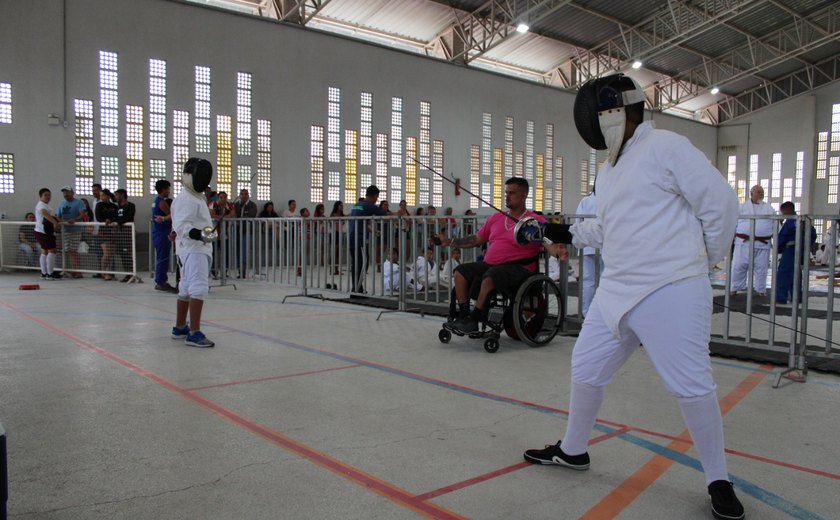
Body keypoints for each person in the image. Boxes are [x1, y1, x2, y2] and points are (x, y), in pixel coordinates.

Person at [522, 73, 744, 520]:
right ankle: (574, 449)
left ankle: (718, 478)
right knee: (585, 366)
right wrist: (553, 230)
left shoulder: (668, 147)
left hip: (671, 289)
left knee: (690, 385)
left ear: (614, 113)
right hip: (616, 290)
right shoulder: (609, 172)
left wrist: (705, 262)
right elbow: (606, 229)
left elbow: (720, 204)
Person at [437, 178, 557, 334]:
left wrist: (557, 251)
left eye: (512, 193)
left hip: (519, 268)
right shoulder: (496, 218)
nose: (507, 196)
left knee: (491, 276)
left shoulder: (534, 220)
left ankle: (475, 318)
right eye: (506, 192)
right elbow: (476, 239)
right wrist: (451, 241)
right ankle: (465, 316)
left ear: (524, 195)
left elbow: (548, 241)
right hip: (491, 265)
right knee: (460, 272)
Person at [170, 157, 216, 348]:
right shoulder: (186, 198)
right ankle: (194, 333)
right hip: (194, 250)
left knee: (186, 287)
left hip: (193, 249)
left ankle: (180, 327)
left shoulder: (196, 197)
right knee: (198, 288)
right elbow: (182, 226)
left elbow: (194, 224)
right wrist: (200, 234)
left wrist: (209, 233)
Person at [730, 185, 776, 297]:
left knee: (762, 267)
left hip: (762, 244)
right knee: (739, 266)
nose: (761, 194)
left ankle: (761, 289)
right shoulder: (741, 208)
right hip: (743, 242)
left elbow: (775, 224)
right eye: (758, 192)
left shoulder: (769, 208)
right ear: (751, 194)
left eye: (762, 192)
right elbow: (733, 223)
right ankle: (735, 288)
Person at [775, 201, 816, 306]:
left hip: (790, 250)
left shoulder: (790, 222)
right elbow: (812, 234)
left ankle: (781, 298)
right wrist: (805, 246)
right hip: (801, 250)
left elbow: (782, 237)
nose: (783, 215)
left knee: (783, 274)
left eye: (783, 213)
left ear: (787, 210)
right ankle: (797, 297)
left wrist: (778, 248)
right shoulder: (803, 221)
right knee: (796, 274)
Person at [349, 186, 386, 293]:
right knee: (362, 263)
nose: (376, 200)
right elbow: (383, 214)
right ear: (374, 196)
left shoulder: (357, 205)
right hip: (359, 239)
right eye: (377, 197)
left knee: (356, 264)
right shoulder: (369, 206)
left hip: (352, 238)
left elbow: (360, 222)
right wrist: (399, 214)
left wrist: (372, 231)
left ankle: (357, 288)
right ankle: (356, 289)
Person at [575, 189, 602, 317]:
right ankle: (601, 314)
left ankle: (586, 313)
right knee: (604, 281)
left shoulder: (585, 201)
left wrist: (578, 244)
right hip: (604, 245)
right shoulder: (609, 198)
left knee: (588, 281)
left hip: (587, 245)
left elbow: (577, 223)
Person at [152, 179, 177, 293]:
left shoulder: (155, 201)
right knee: (163, 258)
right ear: (163, 190)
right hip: (162, 233)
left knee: (161, 257)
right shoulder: (161, 202)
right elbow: (172, 216)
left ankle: (161, 280)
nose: (169, 191)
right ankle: (161, 281)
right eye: (168, 189)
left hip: (158, 232)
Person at [56, 185, 85, 278]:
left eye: (67, 192)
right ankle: (74, 270)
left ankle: (77, 271)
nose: (66, 194)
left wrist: (74, 220)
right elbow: (57, 215)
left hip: (75, 230)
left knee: (73, 250)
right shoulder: (61, 204)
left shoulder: (79, 203)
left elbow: (82, 214)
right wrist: (61, 221)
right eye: (64, 192)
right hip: (65, 231)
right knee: (68, 250)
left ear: (72, 193)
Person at [34, 188, 61, 280]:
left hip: (43, 231)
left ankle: (44, 273)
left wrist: (56, 219)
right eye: (45, 195)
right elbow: (44, 213)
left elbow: (49, 215)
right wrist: (54, 222)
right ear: (41, 196)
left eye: (49, 195)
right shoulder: (41, 205)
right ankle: (49, 273)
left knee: (44, 251)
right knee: (52, 251)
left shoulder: (46, 205)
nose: (48, 197)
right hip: (44, 231)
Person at [208, 191, 234, 278]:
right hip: (214, 233)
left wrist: (224, 217)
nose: (223, 199)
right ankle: (213, 271)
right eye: (221, 197)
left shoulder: (229, 206)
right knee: (213, 253)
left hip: (225, 234)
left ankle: (224, 271)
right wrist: (222, 217)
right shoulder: (213, 204)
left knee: (225, 253)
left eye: (225, 197)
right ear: (218, 198)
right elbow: (212, 215)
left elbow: (233, 215)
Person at [234, 188, 258, 278]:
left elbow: (251, 215)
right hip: (236, 232)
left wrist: (240, 220)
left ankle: (242, 271)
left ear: (248, 195)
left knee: (243, 252)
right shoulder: (236, 205)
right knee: (237, 252)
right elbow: (233, 214)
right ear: (239, 195)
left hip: (247, 232)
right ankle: (239, 269)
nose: (244, 196)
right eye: (242, 194)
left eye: (245, 194)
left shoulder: (252, 205)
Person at [113, 189, 136, 282]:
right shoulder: (117, 207)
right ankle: (127, 273)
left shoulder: (130, 206)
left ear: (122, 195)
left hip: (128, 233)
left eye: (117, 195)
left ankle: (131, 273)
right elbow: (115, 217)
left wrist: (119, 223)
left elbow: (129, 217)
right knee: (122, 254)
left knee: (128, 253)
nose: (115, 197)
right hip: (120, 234)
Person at [95, 189, 118, 280]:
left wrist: (112, 221)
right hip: (103, 231)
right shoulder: (99, 205)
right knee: (106, 253)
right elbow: (98, 217)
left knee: (111, 254)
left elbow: (116, 216)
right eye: (100, 196)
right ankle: (103, 271)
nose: (101, 197)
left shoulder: (114, 206)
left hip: (112, 231)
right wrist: (105, 221)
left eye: (103, 195)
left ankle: (109, 271)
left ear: (108, 196)